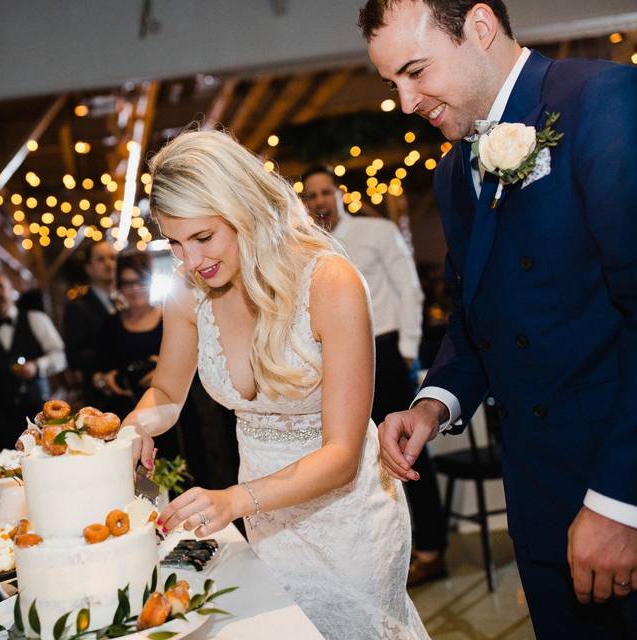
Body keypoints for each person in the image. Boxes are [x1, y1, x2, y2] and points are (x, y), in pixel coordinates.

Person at [360, 1, 637, 636]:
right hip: (541, 509)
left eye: (416, 70)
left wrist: (620, 503)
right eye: (392, 83)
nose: (405, 102)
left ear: (480, 29)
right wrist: (433, 402)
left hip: (619, 489)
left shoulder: (604, 103)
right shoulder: (455, 172)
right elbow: (477, 315)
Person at [123, 128, 428, 638]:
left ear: (244, 209)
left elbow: (342, 454)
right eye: (174, 242)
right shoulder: (188, 289)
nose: (191, 261)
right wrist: (136, 428)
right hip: (265, 517)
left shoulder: (330, 281)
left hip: (346, 518)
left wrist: (232, 501)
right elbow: (168, 392)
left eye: (203, 237)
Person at [303, 166, 446, 586]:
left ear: (341, 194)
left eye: (325, 191)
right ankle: (384, 556)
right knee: (356, 459)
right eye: (310, 195)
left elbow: (409, 288)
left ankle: (433, 548)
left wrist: (407, 351)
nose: (319, 201)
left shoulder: (376, 232)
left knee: (406, 453)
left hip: (384, 352)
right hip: (334, 363)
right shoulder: (307, 246)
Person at [93, 251, 181, 460]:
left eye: (139, 281)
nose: (134, 289)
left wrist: (164, 371)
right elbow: (97, 372)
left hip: (170, 413)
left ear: (149, 279)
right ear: (119, 287)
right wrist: (106, 380)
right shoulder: (111, 324)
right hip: (126, 410)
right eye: (126, 283)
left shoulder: (170, 316)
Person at [0, 271, 67, 450]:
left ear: (11, 290)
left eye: (0, 286)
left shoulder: (36, 319)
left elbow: (60, 357)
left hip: (40, 413)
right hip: (2, 419)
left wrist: (37, 366)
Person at [62, 240, 118, 409]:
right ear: (88, 268)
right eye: (101, 259)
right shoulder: (77, 307)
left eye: (112, 258)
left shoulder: (126, 300)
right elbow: (74, 355)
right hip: (102, 396)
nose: (109, 264)